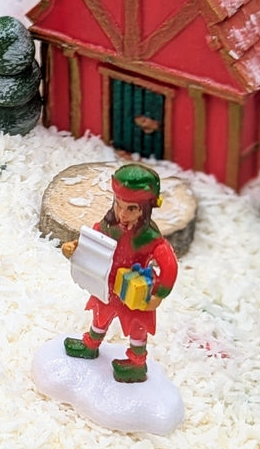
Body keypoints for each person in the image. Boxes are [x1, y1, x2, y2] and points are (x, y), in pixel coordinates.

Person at [60, 163, 177, 383]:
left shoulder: (150, 238)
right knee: (100, 315)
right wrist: (75, 247)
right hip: (107, 285)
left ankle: (137, 363)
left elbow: (169, 265)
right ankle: (91, 345)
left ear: (144, 209)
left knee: (137, 328)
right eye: (118, 204)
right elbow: (92, 241)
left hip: (134, 293)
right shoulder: (108, 226)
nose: (122, 213)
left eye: (131, 208)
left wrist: (159, 294)